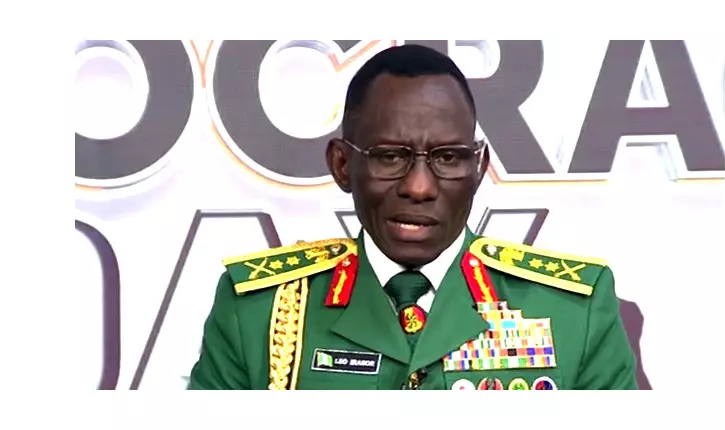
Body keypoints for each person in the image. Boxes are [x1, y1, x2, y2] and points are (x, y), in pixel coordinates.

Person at [187, 44, 638, 390]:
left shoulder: (573, 311)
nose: (419, 187)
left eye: (448, 157)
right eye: (389, 156)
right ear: (342, 166)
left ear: (479, 168)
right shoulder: (259, 311)